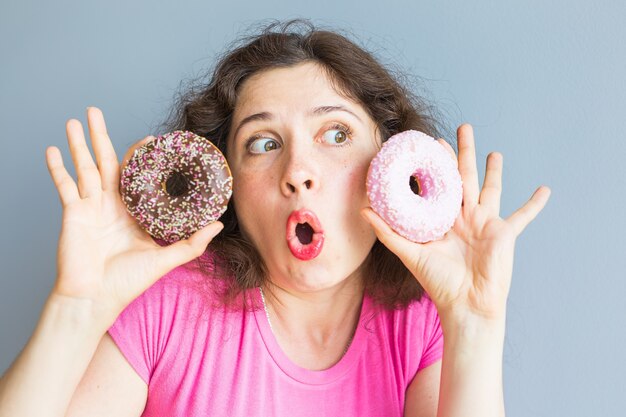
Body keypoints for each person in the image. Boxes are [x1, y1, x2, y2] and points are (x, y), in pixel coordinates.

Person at [0, 19, 550, 417]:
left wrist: (475, 327)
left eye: (336, 134)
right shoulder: (166, 309)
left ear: (388, 162)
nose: (298, 171)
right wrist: (76, 309)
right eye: (263, 143)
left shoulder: (421, 323)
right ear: (230, 188)